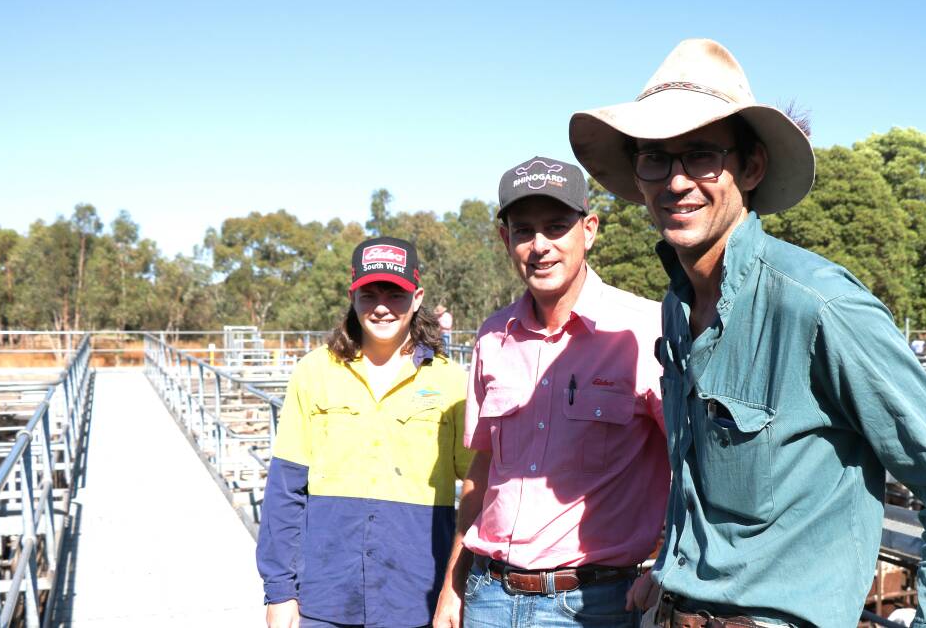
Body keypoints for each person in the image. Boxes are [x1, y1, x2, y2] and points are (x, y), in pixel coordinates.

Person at [570, 39, 926, 627]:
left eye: (700, 155)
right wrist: (670, 568)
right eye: (654, 158)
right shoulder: (676, 308)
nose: (675, 182)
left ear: (750, 167)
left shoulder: (819, 306)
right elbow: (700, 478)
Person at [432, 156, 668, 628]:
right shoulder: (492, 336)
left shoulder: (646, 330)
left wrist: (668, 567)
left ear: (590, 229)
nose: (540, 246)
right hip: (489, 595)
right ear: (506, 240)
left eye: (557, 226)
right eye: (523, 230)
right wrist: (452, 588)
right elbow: (482, 471)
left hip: (593, 605)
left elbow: (693, 462)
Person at [257, 237, 472, 628]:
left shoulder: (451, 380)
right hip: (323, 599)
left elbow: (479, 489)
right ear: (352, 295)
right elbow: (285, 489)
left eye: (396, 293)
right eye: (369, 294)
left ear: (418, 297)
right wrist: (280, 592)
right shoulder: (313, 372)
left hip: (416, 599)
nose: (382, 306)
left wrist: (456, 587)